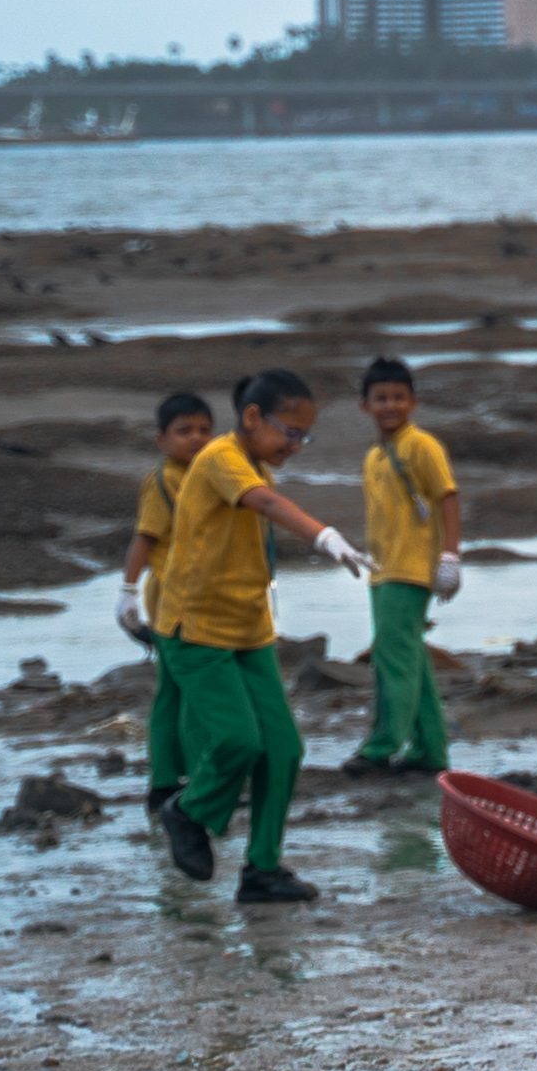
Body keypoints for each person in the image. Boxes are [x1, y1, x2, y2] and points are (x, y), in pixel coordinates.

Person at [154, 369, 368, 904]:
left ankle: (262, 871)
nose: (294, 445)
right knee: (238, 739)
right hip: (196, 629)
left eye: (302, 437)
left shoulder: (254, 465)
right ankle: (186, 811)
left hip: (248, 631)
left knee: (282, 749)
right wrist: (326, 536)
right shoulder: (221, 458)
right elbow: (267, 506)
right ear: (252, 419)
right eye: (288, 433)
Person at [344, 356, 462, 778]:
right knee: (411, 659)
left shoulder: (422, 446)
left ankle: (380, 747)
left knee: (392, 658)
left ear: (413, 402)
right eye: (381, 399)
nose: (389, 406)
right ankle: (431, 750)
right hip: (382, 570)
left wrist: (450, 556)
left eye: (398, 398)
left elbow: (448, 497)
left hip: (409, 571)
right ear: (364, 406)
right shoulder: (375, 456)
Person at [114, 391, 218, 818]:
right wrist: (128, 589)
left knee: (173, 692)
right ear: (162, 439)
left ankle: (162, 784)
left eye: (203, 430)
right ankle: (197, 780)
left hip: (203, 596)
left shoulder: (209, 475)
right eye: (184, 431)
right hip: (176, 600)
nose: (195, 439)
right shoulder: (163, 481)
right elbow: (146, 536)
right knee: (193, 692)